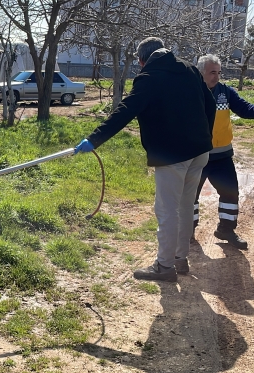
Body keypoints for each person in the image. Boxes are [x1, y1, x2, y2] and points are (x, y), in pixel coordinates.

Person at [74, 37, 215, 282]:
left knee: (167, 210)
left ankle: (164, 266)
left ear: (141, 60)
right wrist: (204, 135)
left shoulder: (149, 77)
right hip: (200, 151)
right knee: (185, 206)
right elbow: (211, 104)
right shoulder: (190, 69)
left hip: (172, 155)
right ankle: (180, 260)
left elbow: (125, 111)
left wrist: (94, 139)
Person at [193, 54, 254, 250]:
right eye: (212, 72)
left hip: (222, 157)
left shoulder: (225, 92)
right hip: (197, 157)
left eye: (219, 72)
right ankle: (188, 231)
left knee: (230, 193)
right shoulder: (190, 92)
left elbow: (246, 109)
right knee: (190, 197)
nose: (217, 76)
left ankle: (226, 229)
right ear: (201, 73)